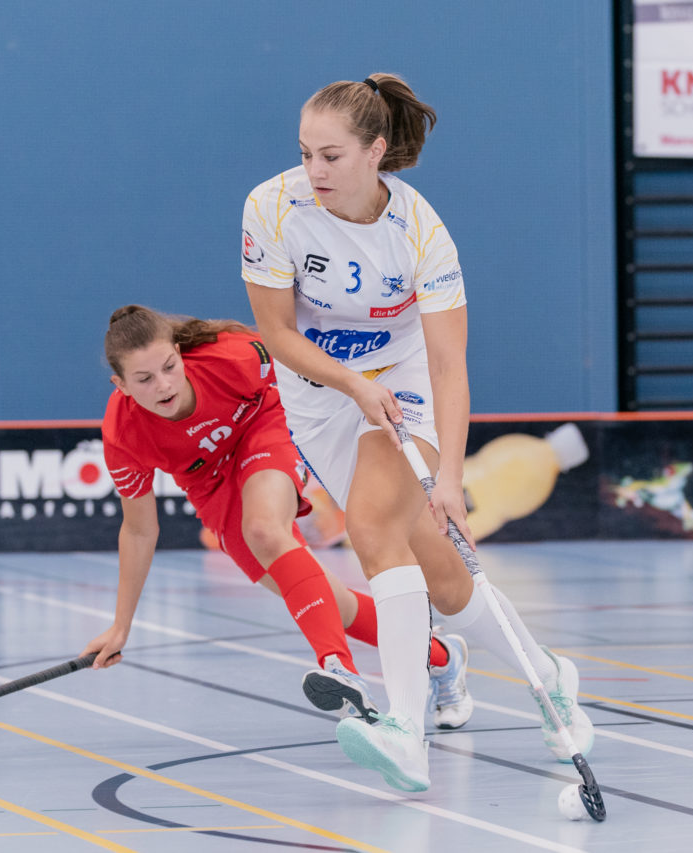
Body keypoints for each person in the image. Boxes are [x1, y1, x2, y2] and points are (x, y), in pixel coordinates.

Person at [241, 73, 593, 792]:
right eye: (306, 152)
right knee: (438, 570)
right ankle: (549, 673)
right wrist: (350, 385)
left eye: (331, 156)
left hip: (404, 381)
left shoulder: (422, 234)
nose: (314, 171)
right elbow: (276, 332)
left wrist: (454, 479)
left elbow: (448, 363)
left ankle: (405, 728)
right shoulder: (272, 207)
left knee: (372, 526)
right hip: (320, 395)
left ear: (376, 152)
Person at [79, 305, 472, 730]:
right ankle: (443, 658)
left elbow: (307, 373)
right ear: (120, 385)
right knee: (322, 600)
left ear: (179, 352)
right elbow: (139, 530)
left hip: (263, 426)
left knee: (265, 529)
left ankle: (338, 667)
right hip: (211, 486)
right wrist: (121, 626)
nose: (165, 384)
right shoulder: (123, 434)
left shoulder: (233, 356)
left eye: (170, 367)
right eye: (144, 379)